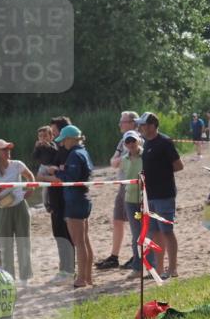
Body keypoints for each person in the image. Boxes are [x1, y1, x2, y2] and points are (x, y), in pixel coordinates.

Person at [44, 126, 95, 287]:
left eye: (63, 140)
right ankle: (87, 277)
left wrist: (56, 172)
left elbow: (70, 177)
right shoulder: (84, 152)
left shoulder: (74, 154)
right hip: (84, 198)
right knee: (85, 240)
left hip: (74, 200)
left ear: (70, 139)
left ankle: (81, 279)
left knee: (78, 242)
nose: (62, 144)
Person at [136, 112, 184, 278]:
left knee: (167, 231)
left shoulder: (164, 142)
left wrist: (160, 173)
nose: (140, 128)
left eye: (142, 125)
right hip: (151, 195)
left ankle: (173, 269)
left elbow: (179, 166)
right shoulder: (147, 143)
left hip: (164, 194)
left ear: (151, 126)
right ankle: (158, 268)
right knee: (154, 233)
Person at [0, 139, 35, 286]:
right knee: (5, 245)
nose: (7, 151)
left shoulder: (17, 164)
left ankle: (24, 277)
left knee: (23, 241)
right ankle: (9, 278)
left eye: (8, 149)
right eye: (4, 149)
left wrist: (31, 188)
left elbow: (29, 176)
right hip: (2, 210)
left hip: (20, 206)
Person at [97, 111, 139, 270]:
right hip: (123, 183)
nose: (120, 124)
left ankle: (137, 255)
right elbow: (113, 162)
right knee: (117, 220)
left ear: (132, 122)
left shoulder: (136, 139)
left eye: (123, 121)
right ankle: (114, 256)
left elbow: (129, 160)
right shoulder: (123, 141)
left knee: (136, 223)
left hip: (134, 185)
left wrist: (121, 161)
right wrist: (122, 160)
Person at [37, 117, 75, 282]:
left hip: (63, 199)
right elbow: (41, 172)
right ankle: (64, 269)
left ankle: (67, 271)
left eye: (53, 132)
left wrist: (46, 177)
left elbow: (61, 178)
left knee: (65, 234)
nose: (51, 136)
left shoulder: (66, 152)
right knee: (60, 233)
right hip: (55, 199)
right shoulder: (57, 150)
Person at [119, 130, 147, 277]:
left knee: (149, 232)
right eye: (127, 141)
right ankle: (137, 267)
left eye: (133, 141)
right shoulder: (124, 160)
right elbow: (124, 181)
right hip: (130, 200)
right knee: (136, 234)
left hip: (146, 199)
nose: (130, 144)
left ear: (138, 141)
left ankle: (152, 265)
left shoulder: (146, 155)